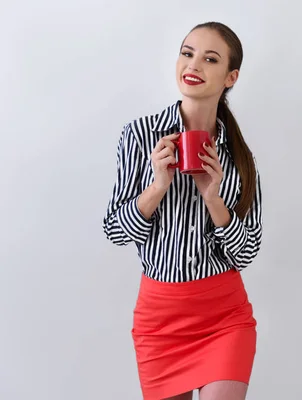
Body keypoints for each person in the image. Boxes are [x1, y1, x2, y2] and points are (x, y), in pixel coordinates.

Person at [102, 21, 263, 400]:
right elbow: (115, 231)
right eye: (187, 53)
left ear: (230, 77)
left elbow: (247, 251)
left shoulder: (240, 158)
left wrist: (213, 198)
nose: (194, 66)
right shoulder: (140, 135)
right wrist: (157, 186)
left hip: (225, 318)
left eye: (210, 59)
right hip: (160, 320)